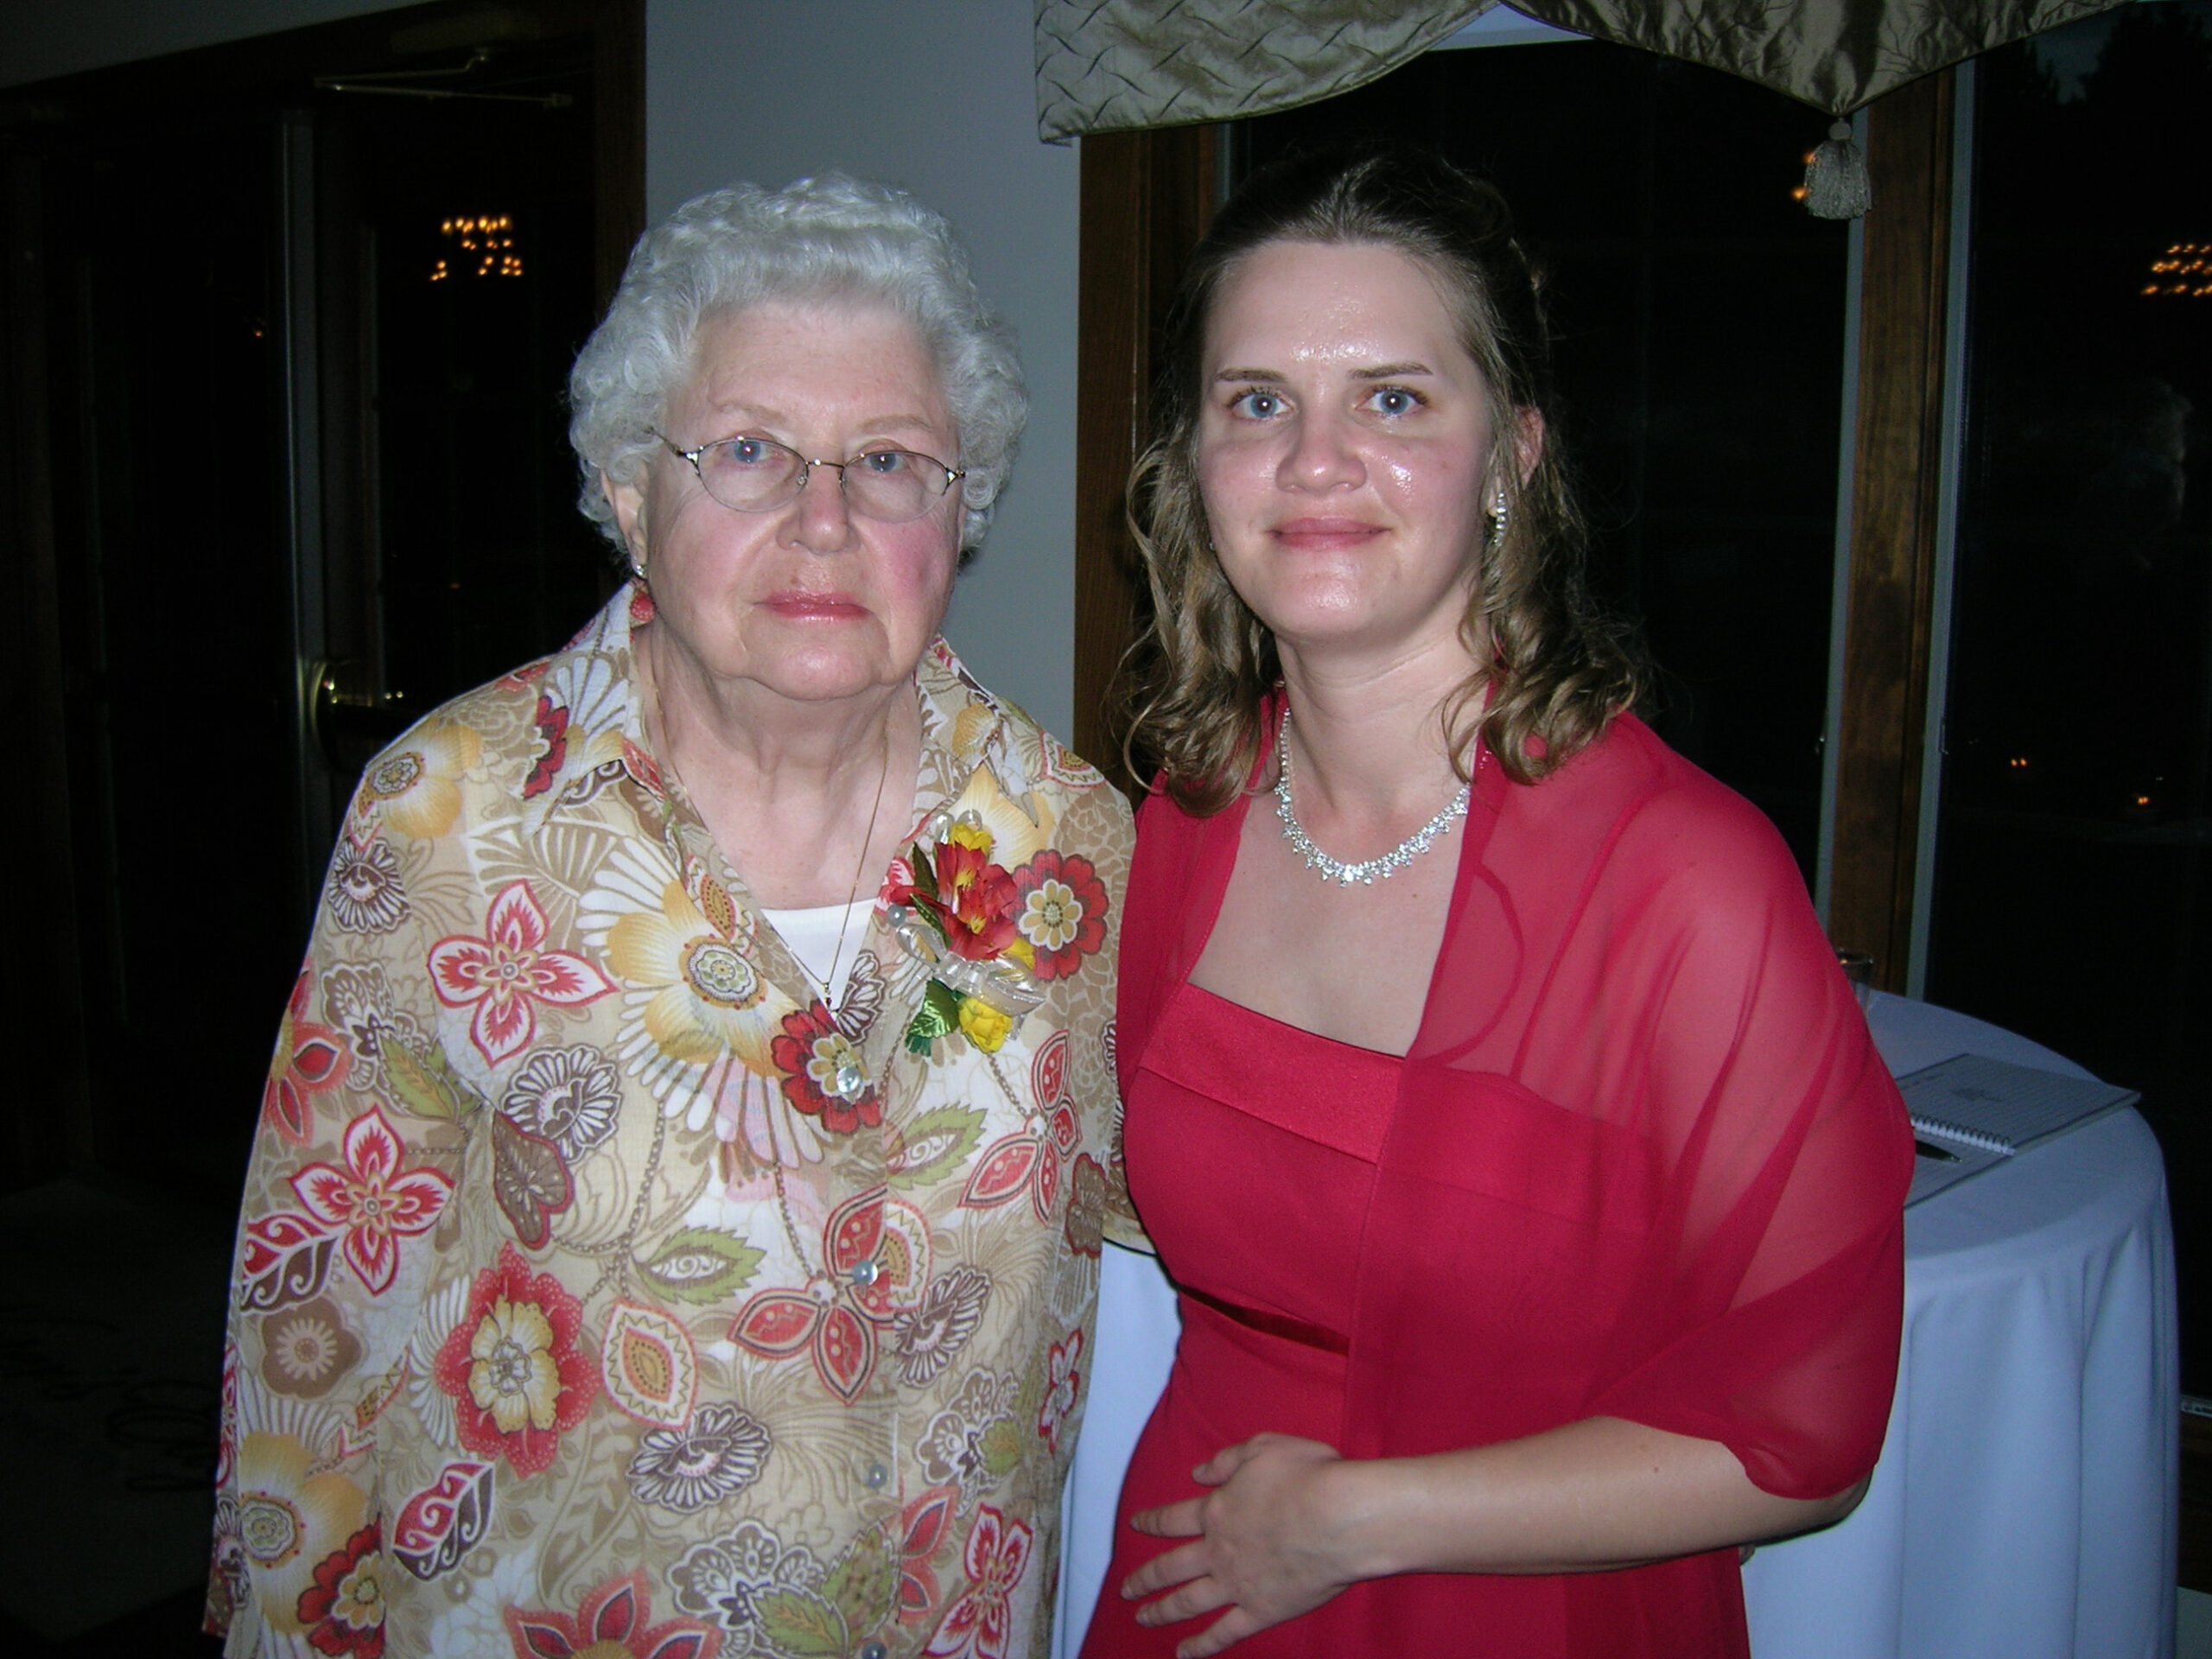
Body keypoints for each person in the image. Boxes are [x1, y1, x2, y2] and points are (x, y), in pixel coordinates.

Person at [208, 175, 1135, 1659]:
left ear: (959, 511)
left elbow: (1179, 1241)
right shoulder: (452, 813)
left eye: (890, 460)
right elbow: (317, 1316)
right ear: (633, 494)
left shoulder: (1070, 842)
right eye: (751, 452)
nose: (825, 522)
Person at [1077, 146, 1913, 1659]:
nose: (1315, 461)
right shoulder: (1184, 823)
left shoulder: (1686, 883)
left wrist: (1355, 1521)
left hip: (1521, 1605)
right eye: (1256, 402)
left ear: (1512, 453)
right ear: (1194, 466)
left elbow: (1807, 1439)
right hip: (1198, 1583)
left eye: (1394, 399)